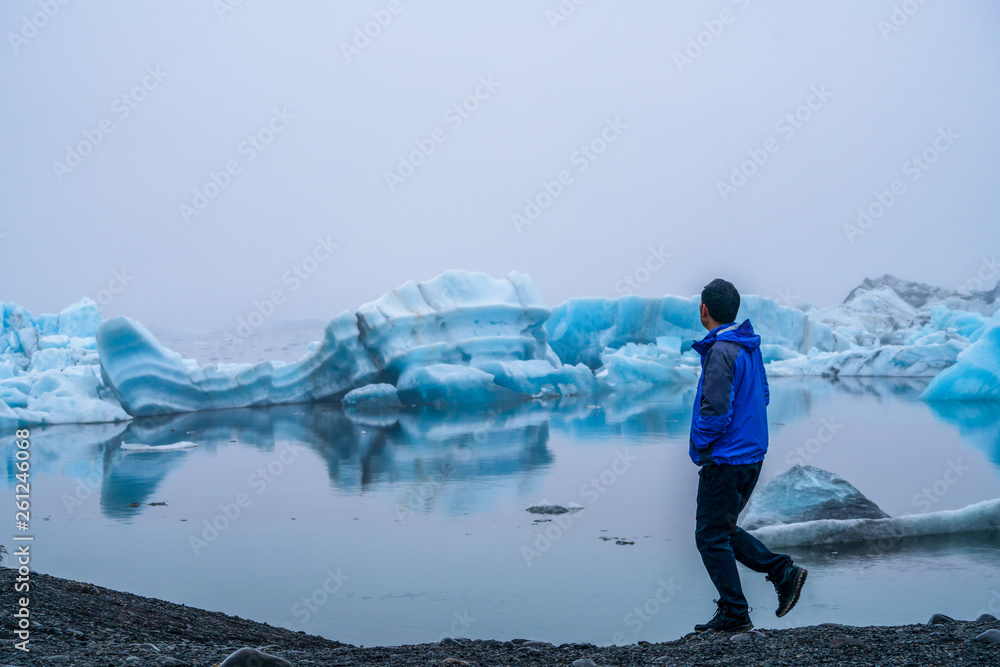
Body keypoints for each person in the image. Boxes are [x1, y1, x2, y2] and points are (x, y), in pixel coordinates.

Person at [689, 278, 807, 633]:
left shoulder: (721, 351)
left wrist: (701, 445)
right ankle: (780, 573)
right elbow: (764, 395)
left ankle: (737, 610)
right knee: (722, 529)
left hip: (726, 458)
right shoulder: (748, 347)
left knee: (710, 535)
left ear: (704, 309)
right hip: (751, 455)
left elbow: (715, 410)